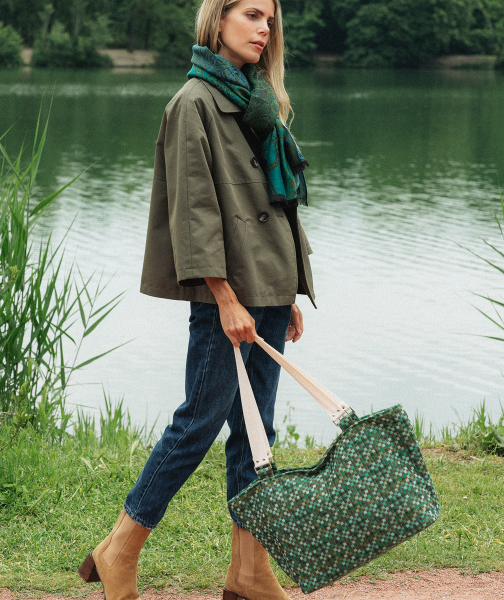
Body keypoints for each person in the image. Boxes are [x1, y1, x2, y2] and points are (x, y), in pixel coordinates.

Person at [78, 1, 315, 598]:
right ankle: (120, 551)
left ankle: (249, 571)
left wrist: (285, 290)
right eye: (254, 15)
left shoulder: (259, 101)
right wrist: (224, 297)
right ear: (218, 19)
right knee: (199, 422)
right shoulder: (194, 103)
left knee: (256, 431)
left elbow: (274, 206)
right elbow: (195, 212)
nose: (265, 29)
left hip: (266, 287)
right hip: (226, 294)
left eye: (271, 21)